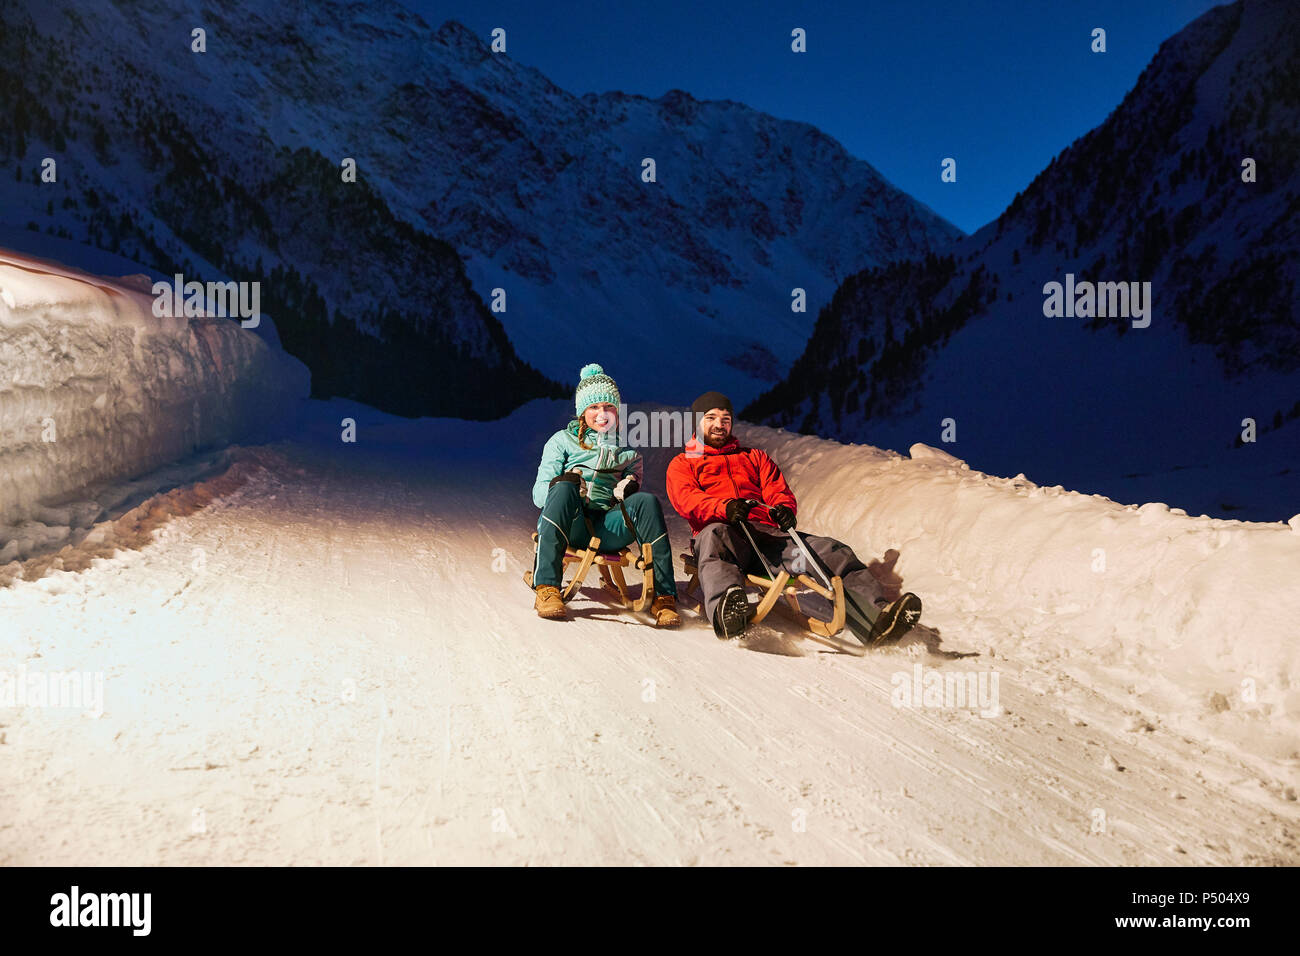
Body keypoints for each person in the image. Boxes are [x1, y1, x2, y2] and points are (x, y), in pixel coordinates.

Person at [665, 391, 922, 643]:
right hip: (723, 537)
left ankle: (875, 619)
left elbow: (778, 491)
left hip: (767, 538)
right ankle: (727, 612)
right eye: (710, 418)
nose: (719, 425)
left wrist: (783, 509)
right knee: (713, 537)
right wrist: (726, 507)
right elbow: (686, 499)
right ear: (698, 422)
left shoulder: (755, 458)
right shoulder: (684, 463)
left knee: (832, 551)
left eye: (725, 419)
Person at [530, 364, 680, 626]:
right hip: (570, 525)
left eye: (609, 407)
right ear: (582, 412)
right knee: (563, 487)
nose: (602, 414)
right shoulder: (560, 442)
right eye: (594, 407)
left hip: (607, 530)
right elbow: (539, 496)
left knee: (646, 502)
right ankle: (547, 587)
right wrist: (567, 484)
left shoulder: (628, 454)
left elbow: (633, 501)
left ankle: (664, 596)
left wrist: (628, 488)